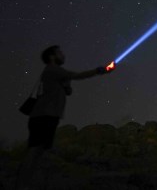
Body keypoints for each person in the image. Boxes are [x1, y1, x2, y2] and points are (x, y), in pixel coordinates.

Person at [17, 45, 113, 189]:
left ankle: (24, 182)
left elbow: (67, 91)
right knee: (35, 150)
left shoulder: (53, 73)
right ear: (52, 57)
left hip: (47, 115)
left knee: (38, 150)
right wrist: (99, 71)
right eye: (59, 53)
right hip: (44, 115)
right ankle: (21, 184)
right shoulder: (53, 69)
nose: (63, 55)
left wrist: (66, 85)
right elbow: (77, 76)